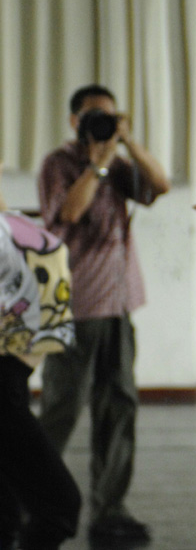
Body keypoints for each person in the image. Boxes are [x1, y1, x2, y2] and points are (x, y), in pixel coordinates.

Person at [36, 84, 171, 542]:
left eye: (110, 117)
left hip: (117, 305)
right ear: (74, 121)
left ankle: (110, 509)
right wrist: (97, 161)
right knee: (60, 410)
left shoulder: (118, 164)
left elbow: (161, 185)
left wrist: (127, 142)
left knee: (119, 407)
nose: (102, 124)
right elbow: (70, 211)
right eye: (95, 117)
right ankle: (21, 504)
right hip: (75, 306)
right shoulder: (59, 164)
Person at [0, 160, 80, 550]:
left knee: (7, 516)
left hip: (11, 371)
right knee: (59, 506)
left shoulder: (11, 228)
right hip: (6, 380)